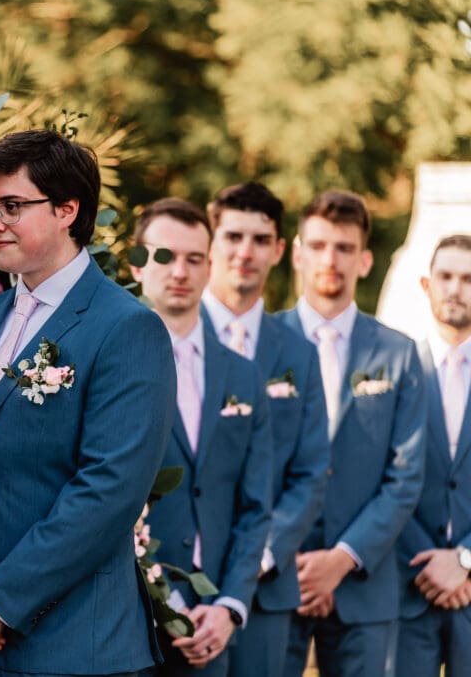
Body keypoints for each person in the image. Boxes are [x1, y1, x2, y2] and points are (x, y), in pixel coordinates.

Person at [0, 130, 176, 677]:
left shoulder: (127, 328)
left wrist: (0, 604)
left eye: (12, 206)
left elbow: (108, 491)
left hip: (74, 650)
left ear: (66, 211)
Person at [279, 190, 426, 677]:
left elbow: (405, 476)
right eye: (318, 245)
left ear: (364, 260)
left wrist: (341, 560)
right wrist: (287, 557)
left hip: (365, 585)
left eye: (344, 248)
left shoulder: (398, 353)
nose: (330, 259)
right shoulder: (260, 343)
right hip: (275, 580)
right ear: (298, 252)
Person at [130, 198, 273, 677]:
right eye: (165, 256)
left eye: (194, 259)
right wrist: (164, 602)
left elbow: (256, 506)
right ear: (137, 263)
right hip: (129, 619)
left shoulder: (245, 376)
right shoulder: (110, 366)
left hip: (215, 626)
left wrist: (230, 605)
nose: (179, 271)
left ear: (210, 267)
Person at [199, 183, 330, 677]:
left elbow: (312, 470)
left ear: (279, 250)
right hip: (182, 583)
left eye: (260, 239)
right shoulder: (168, 338)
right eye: (233, 236)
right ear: (213, 243)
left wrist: (262, 554)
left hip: (267, 589)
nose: (245, 252)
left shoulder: (300, 353)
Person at [395, 234, 471, 677]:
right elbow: (378, 478)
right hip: (408, 592)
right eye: (445, 276)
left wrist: (464, 560)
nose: (455, 288)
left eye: (467, 278)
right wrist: (430, 562)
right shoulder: (396, 372)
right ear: (426, 285)